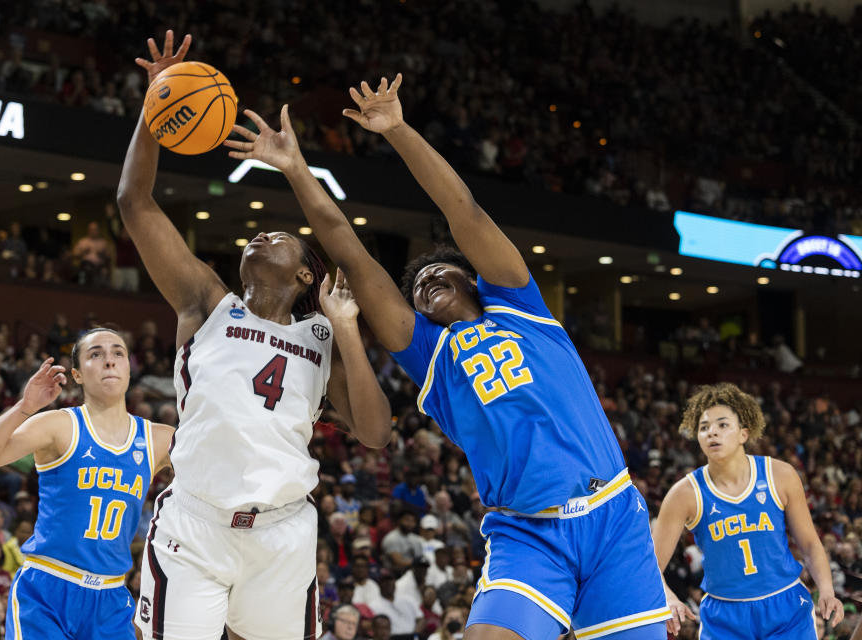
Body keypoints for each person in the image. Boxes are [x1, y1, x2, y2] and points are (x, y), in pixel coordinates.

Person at [227, 75, 670, 639]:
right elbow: (349, 250)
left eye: (441, 271)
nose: (427, 280)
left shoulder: (519, 304)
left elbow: (464, 210)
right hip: (528, 534)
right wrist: (295, 169)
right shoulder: (428, 352)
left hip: (613, 519)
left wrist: (398, 130)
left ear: (473, 279)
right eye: (416, 289)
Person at [118, 31, 391, 640]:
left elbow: (375, 434)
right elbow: (134, 204)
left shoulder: (324, 335)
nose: (260, 236)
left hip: (282, 532)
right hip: (195, 522)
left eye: (279, 236)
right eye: (256, 235)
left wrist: (347, 330)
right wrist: (154, 109)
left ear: (304, 273)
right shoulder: (206, 303)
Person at [0, 329, 175, 640]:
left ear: (129, 367)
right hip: (48, 590)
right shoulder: (59, 425)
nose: (109, 361)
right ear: (76, 374)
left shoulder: (159, 438)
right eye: (96, 354)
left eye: (118, 353)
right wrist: (25, 407)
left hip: (111, 597)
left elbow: (222, 475)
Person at [652, 382, 844, 639]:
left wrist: (827, 590)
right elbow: (650, 563)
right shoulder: (683, 494)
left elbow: (809, 543)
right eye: (704, 427)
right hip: (724, 615)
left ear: (744, 433)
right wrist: (668, 597)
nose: (712, 433)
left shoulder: (780, 475)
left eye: (722, 425)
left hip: (785, 607)